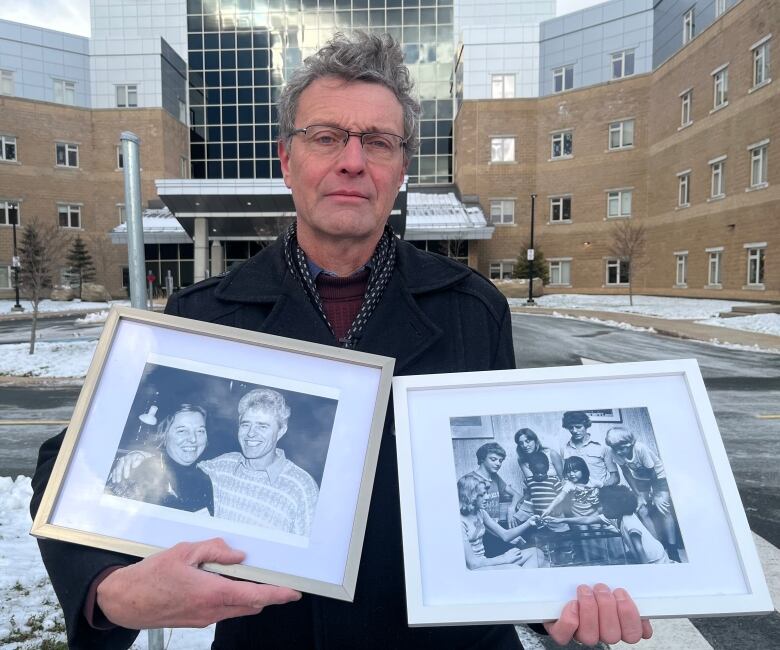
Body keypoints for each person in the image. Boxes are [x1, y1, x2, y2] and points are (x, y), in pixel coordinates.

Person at [30, 32, 652, 649]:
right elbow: (73, 464)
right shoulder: (206, 316)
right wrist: (105, 590)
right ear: (286, 158)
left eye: (377, 141)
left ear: (401, 168)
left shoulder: (471, 309)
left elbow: (513, 481)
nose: (352, 160)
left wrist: (560, 600)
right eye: (326, 137)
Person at [198, 388, 319, 536]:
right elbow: (181, 469)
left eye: (262, 426)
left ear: (281, 431)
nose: (251, 433)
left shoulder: (301, 487)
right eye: (246, 424)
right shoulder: (222, 466)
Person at [106, 403, 213, 515]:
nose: (193, 439)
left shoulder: (204, 479)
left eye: (200, 431)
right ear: (164, 435)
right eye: (182, 431)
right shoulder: (138, 471)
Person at [605, 426, 682, 562]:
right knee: (642, 510)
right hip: (640, 480)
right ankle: (659, 547)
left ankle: (673, 549)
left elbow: (652, 473)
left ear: (630, 444)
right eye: (615, 449)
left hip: (658, 477)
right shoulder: (614, 452)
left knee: (664, 508)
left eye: (621, 448)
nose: (618, 452)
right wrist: (639, 496)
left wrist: (656, 495)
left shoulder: (640, 448)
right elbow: (626, 473)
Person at [458, 475, 546, 570]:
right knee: (515, 569)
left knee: (537, 554)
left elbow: (505, 535)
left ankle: (521, 581)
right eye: (482, 495)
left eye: (486, 493)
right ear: (470, 496)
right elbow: (473, 564)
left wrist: (529, 522)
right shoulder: (459, 521)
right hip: (473, 568)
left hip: (485, 561)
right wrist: (504, 558)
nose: (487, 497)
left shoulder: (480, 512)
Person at [462, 442, 523, 525]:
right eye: (493, 459)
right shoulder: (469, 480)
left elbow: (517, 495)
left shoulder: (495, 477)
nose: (498, 463)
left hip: (496, 528)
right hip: (480, 529)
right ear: (482, 459)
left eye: (500, 461)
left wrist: (511, 509)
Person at [560, 411, 619, 487]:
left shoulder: (602, 447)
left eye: (578, 427)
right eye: (571, 427)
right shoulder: (564, 449)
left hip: (600, 493)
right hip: (577, 494)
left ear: (586, 426)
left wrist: (601, 487)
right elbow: (565, 476)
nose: (574, 431)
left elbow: (615, 478)